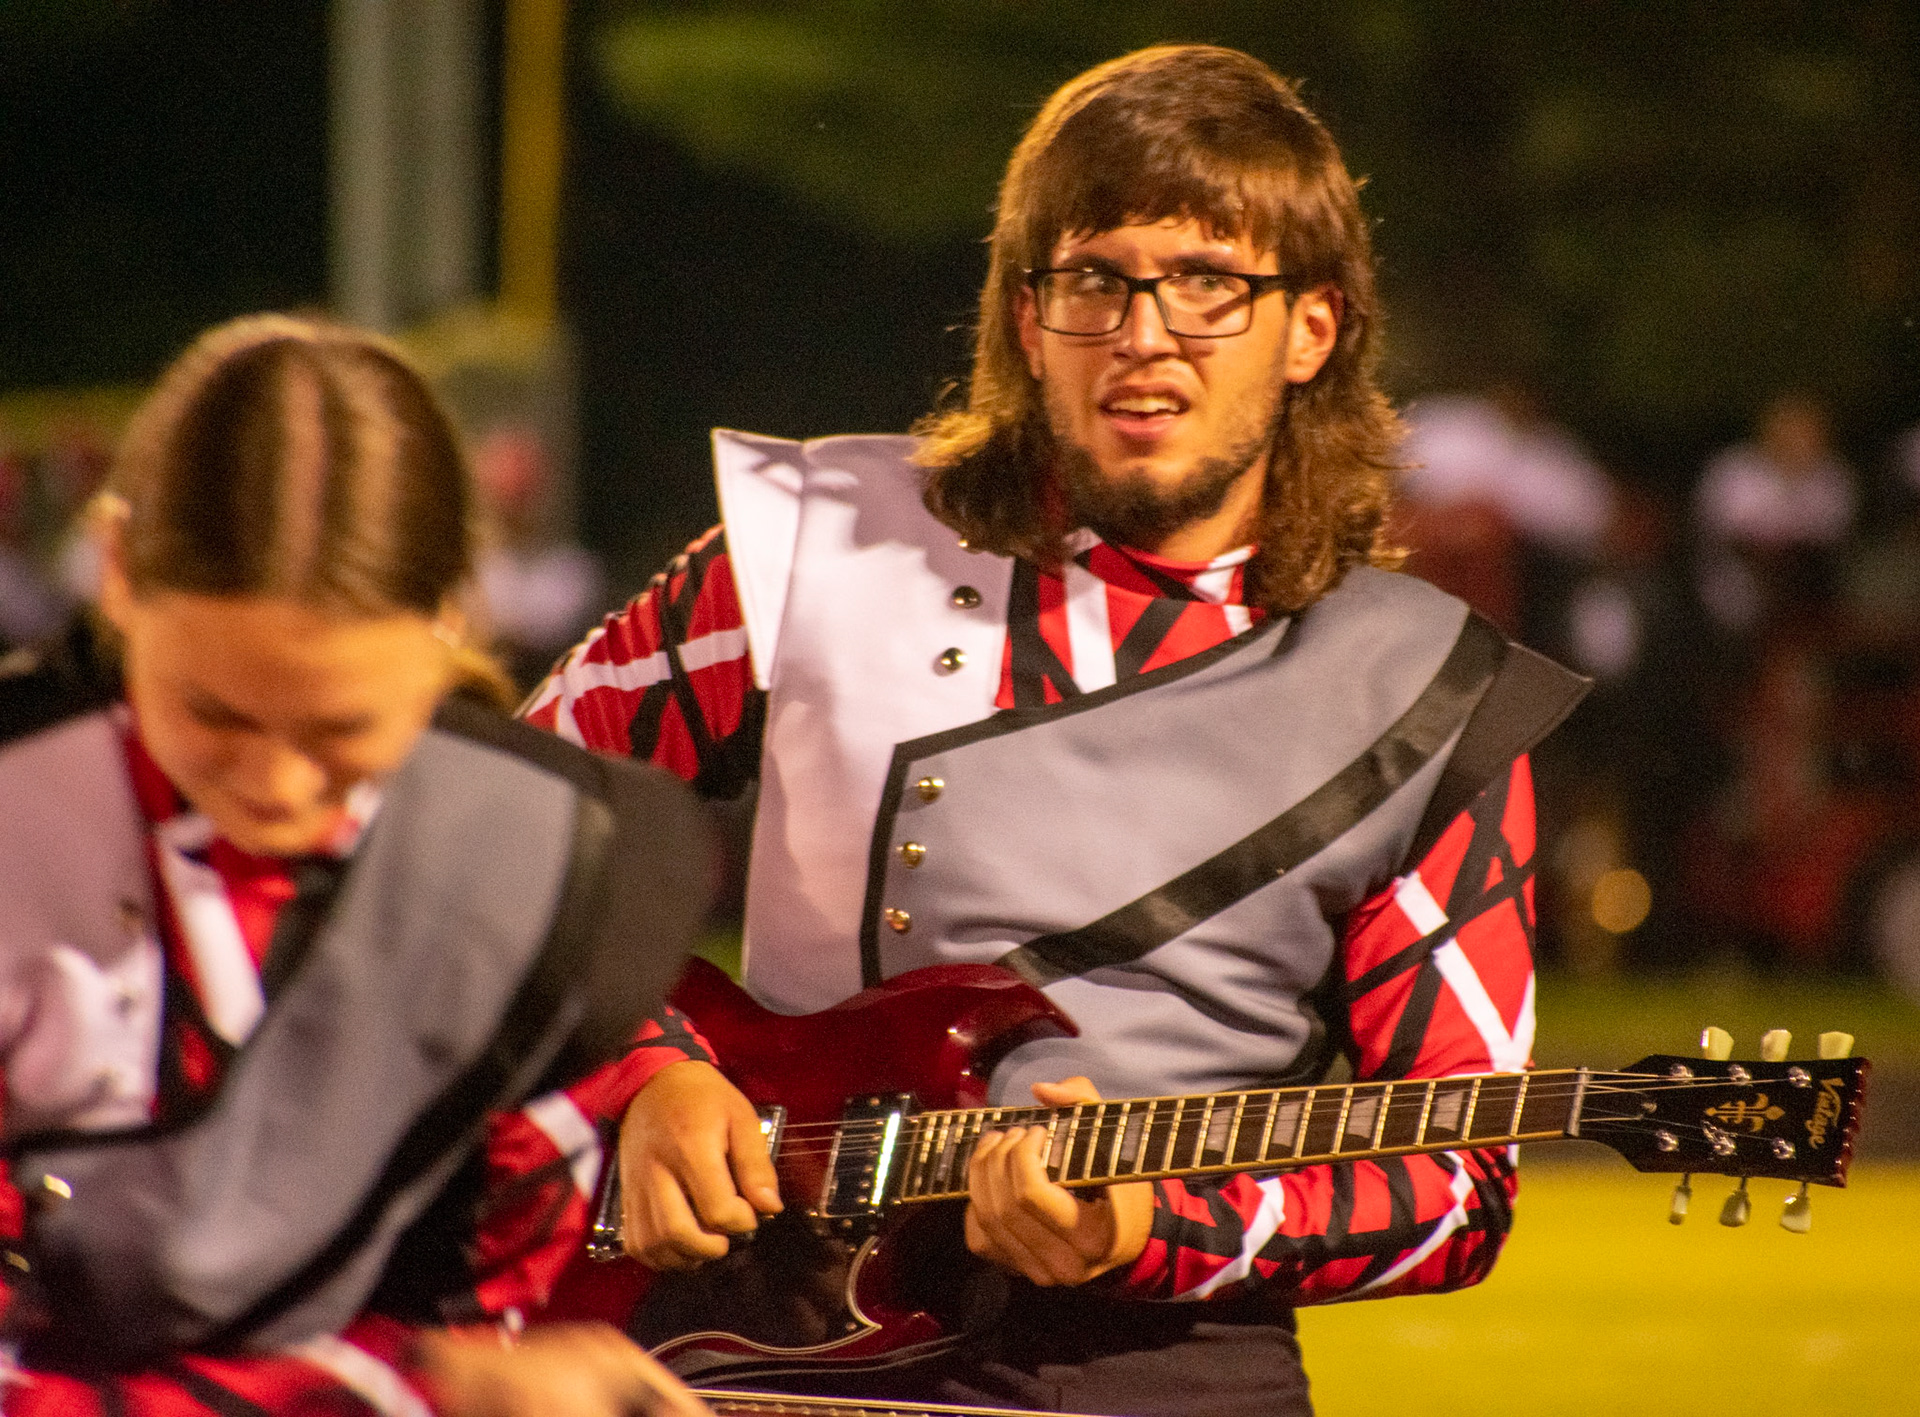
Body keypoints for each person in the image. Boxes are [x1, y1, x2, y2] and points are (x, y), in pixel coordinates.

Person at [527, 46, 1585, 1417]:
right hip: (754, 1356)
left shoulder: (1432, 693)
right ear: (1028, 322)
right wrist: (642, 1072)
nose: (1144, 333)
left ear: (1313, 328)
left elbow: (1455, 1180)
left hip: (1163, 1379)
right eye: (1095, 280)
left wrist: (1159, 1226)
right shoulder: (806, 554)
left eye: (1208, 282)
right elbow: (489, 835)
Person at [0, 315, 712, 1417]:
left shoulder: (544, 867)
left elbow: (475, 1296)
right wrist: (396, 1391)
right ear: (119, 572)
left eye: (341, 730)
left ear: (447, 619)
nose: (277, 785)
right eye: (214, 714)